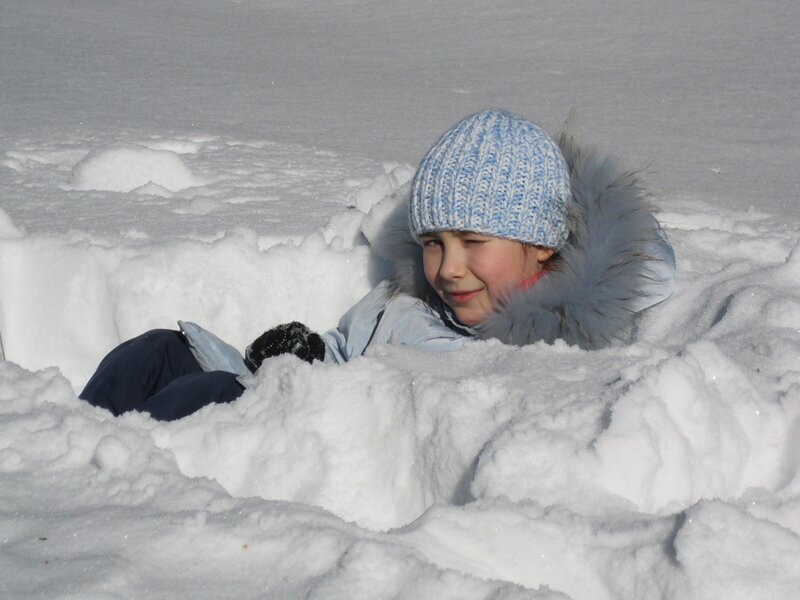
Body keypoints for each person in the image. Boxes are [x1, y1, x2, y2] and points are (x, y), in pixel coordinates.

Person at [80, 109, 676, 421]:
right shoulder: (410, 304)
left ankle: (118, 489)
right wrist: (308, 353)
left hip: (326, 444)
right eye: (434, 242)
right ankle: (67, 457)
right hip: (292, 404)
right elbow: (349, 351)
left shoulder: (546, 354)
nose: (447, 267)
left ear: (542, 242)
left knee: (207, 394)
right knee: (158, 351)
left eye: (472, 241)